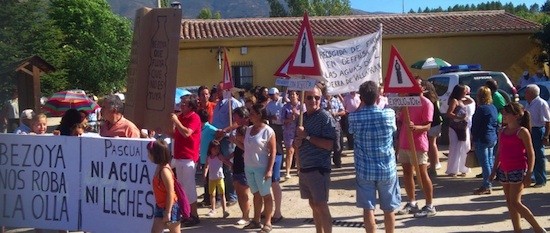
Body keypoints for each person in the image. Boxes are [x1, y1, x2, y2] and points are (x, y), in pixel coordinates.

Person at [348, 81, 400, 233]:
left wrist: (361, 105)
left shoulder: (354, 118)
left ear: (361, 98)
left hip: (364, 170)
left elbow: (351, 131)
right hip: (387, 169)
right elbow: (394, 130)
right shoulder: (389, 115)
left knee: (368, 208)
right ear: (378, 96)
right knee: (389, 209)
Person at [490, 103, 547, 233]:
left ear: (516, 116)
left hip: (518, 169)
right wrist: (494, 170)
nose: (503, 116)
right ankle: (517, 230)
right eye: (503, 113)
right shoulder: (502, 131)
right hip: (504, 169)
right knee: (510, 203)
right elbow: (499, 151)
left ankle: (538, 228)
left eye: (506, 113)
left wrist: (529, 174)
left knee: (515, 202)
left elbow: (531, 153)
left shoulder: (522, 131)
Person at [294, 85, 336, 233]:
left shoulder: (325, 117)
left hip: (318, 168)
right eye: (310, 97)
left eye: (317, 97)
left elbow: (329, 144)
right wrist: (297, 142)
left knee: (321, 205)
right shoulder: (301, 118)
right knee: (313, 204)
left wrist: (307, 136)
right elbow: (297, 142)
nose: (313, 100)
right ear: (303, 99)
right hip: (305, 167)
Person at [396, 89, 436, 218]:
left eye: (418, 85)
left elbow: (428, 126)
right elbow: (401, 119)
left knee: (422, 174)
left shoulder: (427, 103)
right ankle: (412, 202)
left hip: (418, 144)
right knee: (407, 173)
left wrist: (416, 127)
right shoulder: (408, 102)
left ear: (424, 88)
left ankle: (429, 205)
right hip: (404, 142)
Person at [240, 103, 276, 233]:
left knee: (266, 194)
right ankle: (256, 220)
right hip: (249, 166)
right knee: (256, 194)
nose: (250, 116)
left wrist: (269, 169)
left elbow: (273, 152)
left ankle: (267, 222)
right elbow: (248, 147)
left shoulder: (268, 131)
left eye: (252, 114)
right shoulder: (249, 129)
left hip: (262, 167)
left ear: (259, 115)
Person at [170, 94, 202, 226]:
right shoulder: (181, 117)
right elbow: (176, 135)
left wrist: (176, 121)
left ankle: (194, 215)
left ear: (190, 106)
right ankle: (187, 214)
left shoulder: (194, 117)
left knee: (189, 188)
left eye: (184, 103)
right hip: (179, 156)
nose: (181, 105)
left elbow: (187, 133)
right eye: (181, 102)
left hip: (188, 158)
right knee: (182, 188)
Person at [212, 82, 243, 206]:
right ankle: (222, 196)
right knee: (220, 168)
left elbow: (239, 122)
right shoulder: (217, 104)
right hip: (218, 140)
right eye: (218, 90)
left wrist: (225, 130)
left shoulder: (233, 103)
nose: (218, 93)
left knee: (229, 167)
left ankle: (233, 195)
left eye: (221, 90)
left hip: (228, 139)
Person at [147, 139, 181, 233]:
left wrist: (168, 212)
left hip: (170, 207)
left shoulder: (165, 171)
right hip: (160, 206)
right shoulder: (159, 167)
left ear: (156, 154)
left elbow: (170, 193)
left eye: (149, 153)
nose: (148, 156)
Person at [227, 107, 252, 225]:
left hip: (244, 165)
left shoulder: (247, 130)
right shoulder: (239, 130)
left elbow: (247, 148)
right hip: (237, 164)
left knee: (244, 193)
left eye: (236, 116)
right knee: (239, 192)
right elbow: (238, 148)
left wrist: (235, 141)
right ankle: (244, 214)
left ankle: (246, 216)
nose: (234, 118)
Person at [471, 86, 498, 195]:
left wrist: (473, 137)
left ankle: (487, 185)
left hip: (482, 138)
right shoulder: (493, 107)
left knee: (485, 162)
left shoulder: (481, 109)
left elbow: (475, 126)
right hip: (492, 136)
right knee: (490, 160)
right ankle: (489, 182)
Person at [523, 84, 550, 187]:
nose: (525, 94)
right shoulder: (528, 103)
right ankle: (534, 176)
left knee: (539, 155)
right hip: (529, 130)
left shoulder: (541, 103)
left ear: (532, 93)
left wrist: (546, 136)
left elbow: (547, 122)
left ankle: (541, 179)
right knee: (530, 154)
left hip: (538, 130)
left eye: (526, 92)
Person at [445, 85, 472, 177]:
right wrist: (458, 117)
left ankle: (463, 167)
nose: (466, 92)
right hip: (455, 127)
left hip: (462, 127)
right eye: (464, 91)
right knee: (455, 148)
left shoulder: (461, 101)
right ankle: (452, 169)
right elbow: (449, 113)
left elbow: (471, 101)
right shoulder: (454, 101)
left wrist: (465, 96)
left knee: (463, 147)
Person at [203, 140, 231, 218]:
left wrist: (231, 165)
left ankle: (224, 210)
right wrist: (205, 174)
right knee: (212, 194)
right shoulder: (208, 158)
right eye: (215, 149)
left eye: (218, 149)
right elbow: (206, 166)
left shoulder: (219, 156)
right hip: (211, 178)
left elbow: (225, 161)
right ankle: (213, 209)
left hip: (219, 178)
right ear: (210, 149)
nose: (216, 150)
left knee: (222, 194)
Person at [421, 80, 442, 174]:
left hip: (433, 123)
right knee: (433, 144)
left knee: (431, 144)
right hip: (437, 123)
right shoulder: (434, 97)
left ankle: (434, 165)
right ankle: (436, 162)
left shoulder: (429, 99)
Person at [321, 89, 345, 168]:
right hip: (325, 124)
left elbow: (343, 111)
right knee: (326, 143)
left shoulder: (336, 100)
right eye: (326, 92)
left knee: (338, 144)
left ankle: (337, 161)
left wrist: (336, 113)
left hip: (336, 123)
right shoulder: (321, 100)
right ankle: (326, 161)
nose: (328, 93)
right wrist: (326, 110)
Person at [281, 90, 301, 179]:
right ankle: (287, 171)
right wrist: (289, 119)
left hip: (298, 131)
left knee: (298, 150)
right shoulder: (286, 106)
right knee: (290, 151)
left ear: (297, 96)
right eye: (291, 94)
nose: (292, 96)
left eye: (294, 94)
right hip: (288, 131)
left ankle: (299, 170)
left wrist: (297, 113)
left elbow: (305, 116)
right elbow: (281, 119)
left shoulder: (301, 105)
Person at [265, 87, 285, 160]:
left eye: (272, 95)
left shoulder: (284, 100)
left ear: (277, 94)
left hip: (286, 125)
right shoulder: (269, 105)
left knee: (288, 144)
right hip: (275, 125)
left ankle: (292, 161)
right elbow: (266, 116)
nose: (271, 96)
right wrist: (271, 117)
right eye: (270, 95)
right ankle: (281, 160)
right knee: (278, 144)